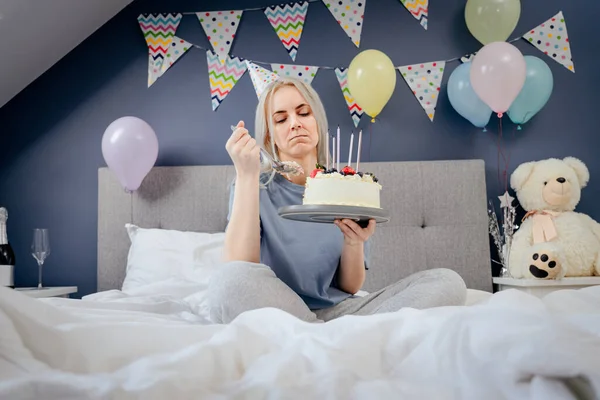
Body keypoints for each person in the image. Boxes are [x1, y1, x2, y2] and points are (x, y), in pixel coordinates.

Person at [207, 77, 466, 324]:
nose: (295, 123)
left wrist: (354, 242)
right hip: (276, 309)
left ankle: (317, 335)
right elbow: (240, 267)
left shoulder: (347, 186)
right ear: (268, 138)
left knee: (447, 281)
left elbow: (349, 287)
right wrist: (246, 174)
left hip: (341, 313)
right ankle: (326, 335)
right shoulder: (252, 184)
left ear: (318, 122)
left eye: (303, 113)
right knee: (228, 282)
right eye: (281, 119)